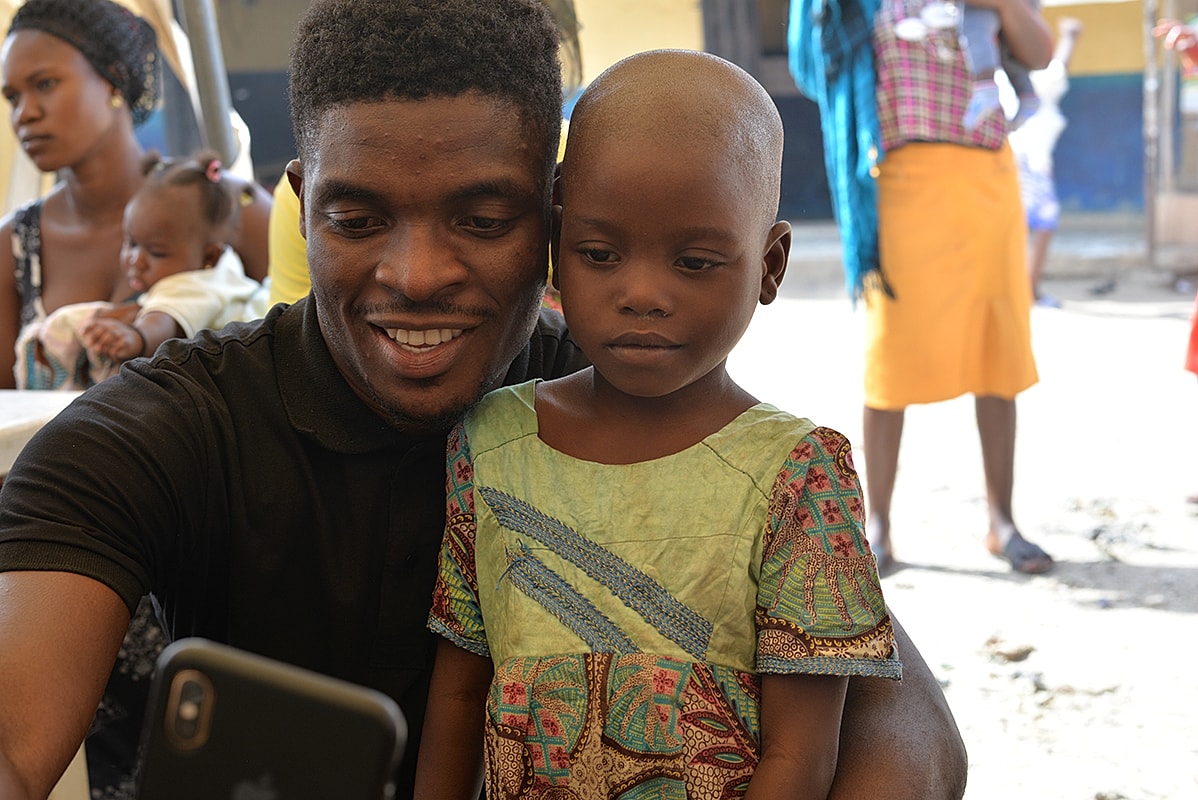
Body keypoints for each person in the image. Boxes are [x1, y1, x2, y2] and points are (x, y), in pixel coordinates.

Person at [0, 2, 966, 800]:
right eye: (358, 218)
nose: (417, 275)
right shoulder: (163, 433)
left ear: (552, 216)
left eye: (483, 218)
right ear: (302, 203)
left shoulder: (642, 407)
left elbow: (908, 736)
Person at [415, 49, 902, 799]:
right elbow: (457, 696)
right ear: (555, 250)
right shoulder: (491, 445)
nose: (642, 293)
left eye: (696, 262)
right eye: (600, 254)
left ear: (769, 266)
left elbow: (800, 755)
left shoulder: (798, 476)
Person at [790, 0, 1055, 575]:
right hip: (900, 185)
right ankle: (878, 525)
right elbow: (811, 68)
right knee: (891, 355)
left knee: (996, 350)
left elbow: (1039, 53)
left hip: (985, 180)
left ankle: (1002, 522)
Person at [0, 0, 271, 392]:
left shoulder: (222, 203)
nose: (24, 114)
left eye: (45, 84)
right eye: (12, 97)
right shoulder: (14, 246)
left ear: (114, 79)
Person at [15, 150, 270, 389]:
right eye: (131, 243)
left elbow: (162, 321)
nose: (136, 260)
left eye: (157, 252)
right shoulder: (224, 267)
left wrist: (135, 337)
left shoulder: (189, 285)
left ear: (209, 256)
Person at [1008, 16, 1084, 308]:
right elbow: (1058, 68)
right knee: (1041, 223)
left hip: (1024, 161)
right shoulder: (1030, 77)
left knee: (1026, 226)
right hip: (1028, 163)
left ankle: (1026, 290)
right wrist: (1070, 37)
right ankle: (1027, 291)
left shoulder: (1010, 75)